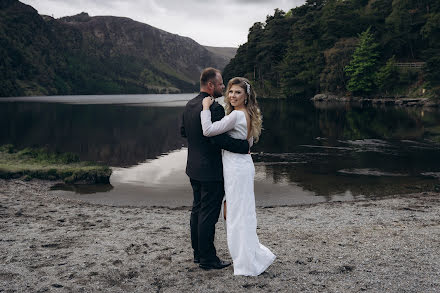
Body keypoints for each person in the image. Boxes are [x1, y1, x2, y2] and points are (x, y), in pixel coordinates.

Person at [200, 77, 276, 276]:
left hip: (235, 168)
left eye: (238, 93)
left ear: (246, 96)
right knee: (243, 211)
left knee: (236, 213)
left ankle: (245, 262)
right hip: (243, 166)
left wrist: (206, 108)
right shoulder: (249, 113)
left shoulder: (235, 116)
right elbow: (249, 144)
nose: (232, 96)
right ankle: (249, 255)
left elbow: (207, 130)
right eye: (231, 92)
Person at [180, 68, 250, 270]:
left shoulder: (190, 104)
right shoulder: (216, 108)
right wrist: (245, 147)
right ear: (211, 85)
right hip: (211, 170)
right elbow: (220, 140)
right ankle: (208, 259)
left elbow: (183, 131)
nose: (223, 88)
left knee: (197, 210)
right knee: (208, 215)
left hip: (193, 167)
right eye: (221, 85)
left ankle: (197, 254)